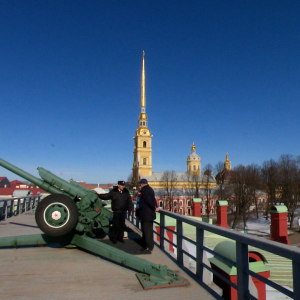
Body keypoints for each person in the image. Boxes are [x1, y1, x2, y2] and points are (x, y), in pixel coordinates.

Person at [138, 178, 159, 254]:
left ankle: (149, 246)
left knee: (147, 231)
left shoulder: (145, 190)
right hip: (148, 214)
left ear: (142, 184)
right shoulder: (149, 189)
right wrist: (155, 206)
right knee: (148, 230)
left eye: (140, 184)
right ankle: (148, 245)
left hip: (146, 214)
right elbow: (153, 199)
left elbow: (148, 200)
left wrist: (154, 207)